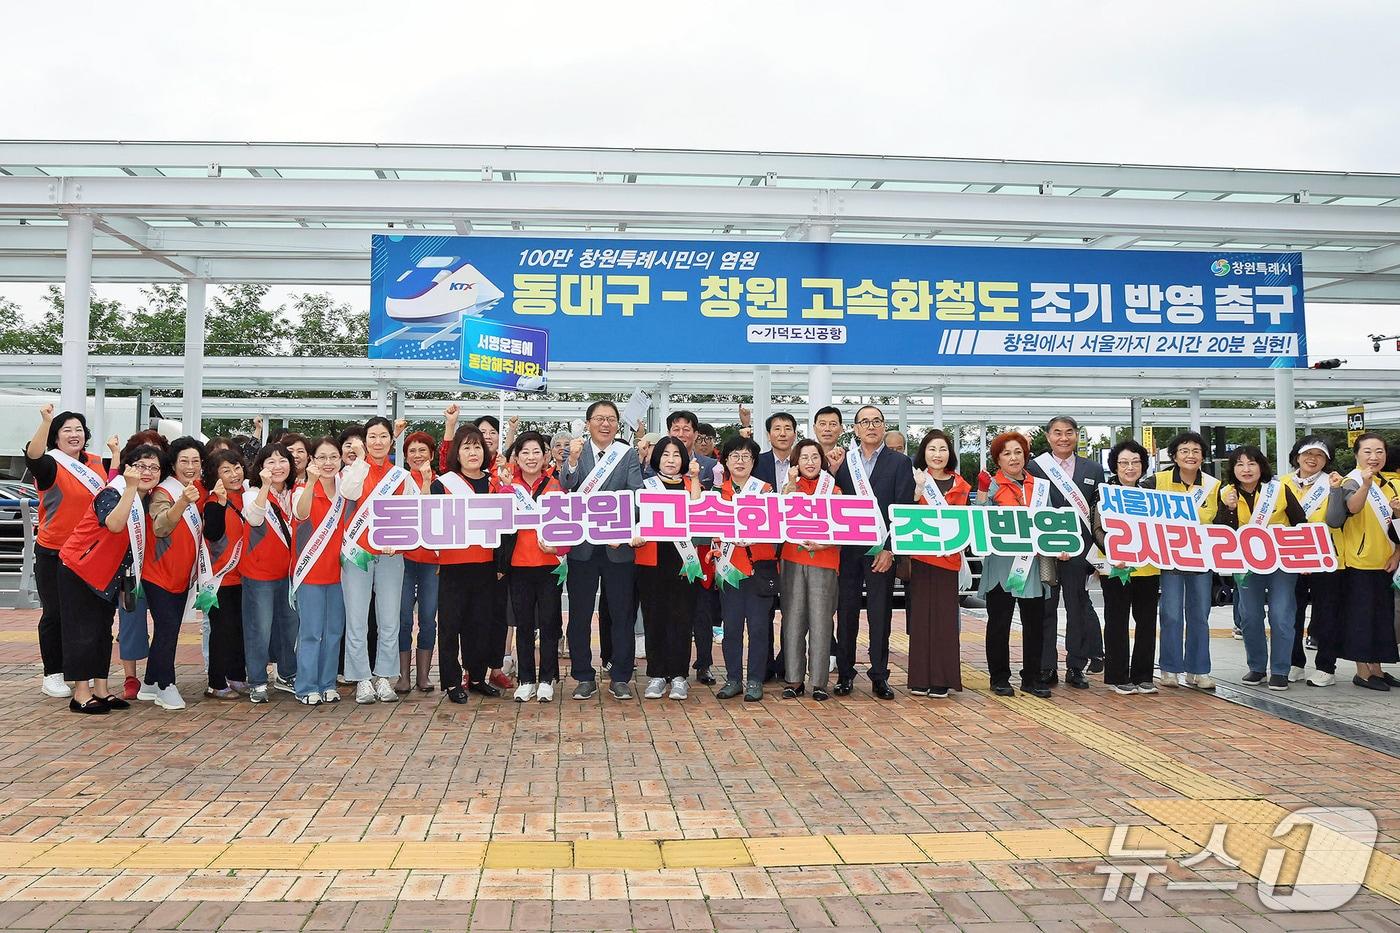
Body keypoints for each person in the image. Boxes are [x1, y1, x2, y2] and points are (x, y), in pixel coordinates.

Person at [56, 443, 162, 714]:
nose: (146, 472)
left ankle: (101, 690)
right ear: (127, 468)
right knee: (82, 633)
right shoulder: (112, 493)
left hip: (106, 577)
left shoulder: (144, 498)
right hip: (80, 570)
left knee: (102, 633)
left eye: (154, 468)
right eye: (140, 466)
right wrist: (129, 488)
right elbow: (114, 524)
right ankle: (81, 694)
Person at [23, 404, 110, 700]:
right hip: (54, 551)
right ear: (55, 437)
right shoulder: (50, 464)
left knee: (87, 616)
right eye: (66, 430)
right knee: (56, 613)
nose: (74, 435)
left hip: (91, 553)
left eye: (79, 430)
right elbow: (33, 457)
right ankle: (53, 673)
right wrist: (45, 421)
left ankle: (80, 672)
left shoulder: (97, 462)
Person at [560, 399, 645, 700]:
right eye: (599, 418)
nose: (605, 424)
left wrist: (620, 525)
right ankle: (583, 675)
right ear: (588, 423)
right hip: (582, 547)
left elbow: (636, 494)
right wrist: (570, 461)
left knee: (621, 614)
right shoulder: (576, 452)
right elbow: (566, 486)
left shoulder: (627, 454)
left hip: (617, 546)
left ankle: (620, 675)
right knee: (580, 614)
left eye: (611, 419)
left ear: (617, 424)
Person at [833, 405, 914, 699]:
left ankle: (880, 675)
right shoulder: (843, 462)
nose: (870, 426)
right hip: (848, 549)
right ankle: (845, 674)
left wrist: (891, 549)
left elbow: (903, 508)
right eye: (864, 422)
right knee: (847, 613)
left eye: (876, 421)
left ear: (883, 426)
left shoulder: (899, 462)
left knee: (881, 614)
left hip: (882, 550)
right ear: (855, 428)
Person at [1215, 445, 1307, 691]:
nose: (1246, 469)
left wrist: (1306, 558)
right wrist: (1230, 510)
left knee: (1281, 615)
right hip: (1246, 564)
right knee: (1250, 616)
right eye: (1240, 464)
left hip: (1281, 564)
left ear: (1261, 466)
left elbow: (1301, 524)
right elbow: (1221, 532)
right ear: (1232, 469)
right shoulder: (1225, 493)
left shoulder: (1278, 490)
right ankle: (1257, 667)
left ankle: (1280, 670)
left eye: (1251, 463)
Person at [340, 416, 416, 705]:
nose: (378, 442)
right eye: (372, 437)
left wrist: (397, 542)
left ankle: (384, 677)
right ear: (364, 440)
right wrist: (359, 461)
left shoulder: (401, 475)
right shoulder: (354, 470)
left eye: (383, 436)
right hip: (357, 554)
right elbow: (349, 492)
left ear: (391, 440)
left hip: (391, 555)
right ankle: (361, 679)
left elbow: (409, 514)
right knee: (357, 619)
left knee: (389, 619)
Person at [1027, 415, 1105, 689]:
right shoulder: (1035, 467)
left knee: (1077, 607)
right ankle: (1047, 666)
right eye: (1057, 433)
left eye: (1069, 432)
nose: (1063, 438)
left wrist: (1098, 555)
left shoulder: (1093, 469)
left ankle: (1076, 666)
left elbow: (1098, 513)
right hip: (1046, 549)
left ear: (1077, 435)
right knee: (1047, 608)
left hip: (1080, 551)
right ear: (1048, 436)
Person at [979, 432, 1057, 698]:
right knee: (999, 621)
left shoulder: (1040, 487)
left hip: (1032, 565)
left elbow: (1050, 522)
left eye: (1018, 452)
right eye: (1006, 453)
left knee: (1034, 622)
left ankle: (1032, 677)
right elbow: (979, 521)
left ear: (1025, 455)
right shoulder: (990, 486)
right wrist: (981, 495)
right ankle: (999, 676)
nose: (1013, 458)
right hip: (1002, 564)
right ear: (997, 458)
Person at [135, 436, 208, 710]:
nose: (190, 466)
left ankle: (151, 682)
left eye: (195, 461)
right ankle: (166, 685)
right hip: (158, 575)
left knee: (169, 630)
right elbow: (161, 527)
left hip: (181, 577)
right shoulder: (163, 492)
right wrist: (183, 502)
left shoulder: (199, 488)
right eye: (184, 461)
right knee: (167, 630)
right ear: (173, 464)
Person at [1143, 432, 1219, 690]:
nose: (1190, 455)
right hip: (1168, 559)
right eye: (1184, 450)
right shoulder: (1156, 481)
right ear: (1174, 456)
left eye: (1196, 451)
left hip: (1201, 558)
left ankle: (1199, 670)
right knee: (1171, 615)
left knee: (1200, 615)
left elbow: (1220, 523)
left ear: (1202, 456)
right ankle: (1169, 668)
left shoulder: (1214, 486)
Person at [433, 425, 503, 702]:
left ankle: (476, 677)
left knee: (480, 624)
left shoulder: (495, 483)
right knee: (450, 626)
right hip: (452, 564)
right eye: (466, 447)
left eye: (477, 447)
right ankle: (451, 682)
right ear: (456, 453)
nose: (473, 452)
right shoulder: (443, 483)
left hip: (485, 564)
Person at [1326, 432, 1400, 691]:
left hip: (1386, 562)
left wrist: (1397, 554)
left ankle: (1377, 669)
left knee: (1382, 617)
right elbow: (1352, 508)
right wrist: (1367, 486)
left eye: (1379, 451)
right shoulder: (1353, 481)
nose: (1374, 457)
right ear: (1357, 454)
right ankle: (1362, 671)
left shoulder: (1391, 484)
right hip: (1359, 562)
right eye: (1367, 451)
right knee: (1361, 617)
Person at [635, 437, 705, 700]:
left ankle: (678, 675)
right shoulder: (644, 485)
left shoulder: (690, 485)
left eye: (677, 455)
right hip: (651, 559)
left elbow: (698, 513)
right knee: (654, 617)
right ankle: (656, 674)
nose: (671, 460)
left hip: (684, 561)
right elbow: (635, 518)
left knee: (681, 617)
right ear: (657, 459)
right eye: (665, 454)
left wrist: (696, 478)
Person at [498, 432, 565, 702]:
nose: (531, 457)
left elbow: (566, 528)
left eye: (536, 451)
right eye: (524, 452)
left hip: (548, 564)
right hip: (518, 565)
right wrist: (503, 489)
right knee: (523, 625)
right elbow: (499, 522)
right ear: (516, 457)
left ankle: (547, 679)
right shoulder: (507, 485)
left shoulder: (554, 485)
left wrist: (559, 549)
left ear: (545, 456)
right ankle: (526, 679)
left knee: (549, 624)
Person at [711, 436, 777, 702]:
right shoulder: (716, 494)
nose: (740, 461)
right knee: (733, 627)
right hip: (730, 571)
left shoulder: (766, 491)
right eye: (734, 456)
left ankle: (755, 680)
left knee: (760, 628)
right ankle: (734, 678)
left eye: (746, 457)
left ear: (753, 462)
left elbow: (775, 529)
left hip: (759, 568)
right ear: (725, 461)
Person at [1092, 440, 1160, 695]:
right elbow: (1097, 528)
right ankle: (1118, 675)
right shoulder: (1105, 493)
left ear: (1143, 466)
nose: (1130, 467)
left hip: (1149, 567)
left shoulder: (1151, 495)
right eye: (1123, 463)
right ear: (1115, 467)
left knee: (1146, 622)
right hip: (1117, 567)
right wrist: (1113, 552)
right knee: (1117, 620)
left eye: (1135, 462)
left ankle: (1143, 675)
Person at [907, 429, 970, 698]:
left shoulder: (961, 485)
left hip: (948, 559)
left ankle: (942, 679)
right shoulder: (915, 479)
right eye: (932, 449)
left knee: (945, 621)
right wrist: (918, 489)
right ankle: (920, 678)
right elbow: (903, 510)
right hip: (921, 558)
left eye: (943, 449)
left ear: (950, 454)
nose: (937, 455)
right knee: (920, 619)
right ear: (924, 453)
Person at [779, 440, 842, 699]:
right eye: (804, 457)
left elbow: (843, 528)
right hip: (793, 558)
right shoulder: (789, 488)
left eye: (815, 457)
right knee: (792, 619)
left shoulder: (834, 489)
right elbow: (778, 515)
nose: (810, 462)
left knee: (821, 622)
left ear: (822, 460)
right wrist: (791, 483)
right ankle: (793, 680)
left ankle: (819, 682)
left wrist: (824, 543)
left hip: (825, 559)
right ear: (796, 462)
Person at [290, 436, 348, 706]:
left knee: (334, 630)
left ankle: (327, 683)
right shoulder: (302, 489)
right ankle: (306, 686)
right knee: (312, 632)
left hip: (339, 574)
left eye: (333, 457)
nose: (328, 463)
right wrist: (311, 484)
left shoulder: (346, 489)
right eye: (322, 457)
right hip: (310, 573)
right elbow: (301, 514)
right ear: (312, 460)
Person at [1282, 436, 1344, 687]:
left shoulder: (1334, 483)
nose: (1312, 459)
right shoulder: (1281, 483)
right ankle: (1294, 662)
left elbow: (1337, 518)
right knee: (1290, 613)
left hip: (1326, 557)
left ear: (1327, 460)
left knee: (1326, 613)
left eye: (1320, 455)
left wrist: (1337, 490)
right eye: (1308, 453)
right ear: (1296, 456)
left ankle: (1326, 667)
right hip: (1291, 557)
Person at [240, 443, 299, 703]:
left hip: (289, 573)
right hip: (259, 574)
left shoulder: (295, 492)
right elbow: (254, 518)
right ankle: (257, 680)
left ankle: (286, 675)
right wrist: (265, 487)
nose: (278, 466)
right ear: (260, 467)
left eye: (283, 460)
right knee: (259, 629)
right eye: (270, 462)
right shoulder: (251, 492)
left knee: (290, 627)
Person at [668, 410, 720, 682]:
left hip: (700, 549)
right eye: (676, 428)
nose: (681, 434)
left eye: (687, 429)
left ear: (696, 434)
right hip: (669, 550)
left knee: (702, 610)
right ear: (669, 433)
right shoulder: (659, 464)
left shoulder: (712, 467)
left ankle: (704, 664)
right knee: (674, 609)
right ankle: (672, 664)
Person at [202, 449, 248, 698]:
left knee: (239, 629)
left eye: (237, 467)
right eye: (226, 470)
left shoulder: (248, 496)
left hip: (244, 577)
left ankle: (237, 676)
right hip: (220, 578)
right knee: (222, 631)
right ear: (215, 475)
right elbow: (212, 534)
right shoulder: (212, 501)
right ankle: (216, 682)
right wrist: (219, 504)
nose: (234, 474)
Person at [396, 431, 439, 694]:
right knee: (402, 618)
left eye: (423, 450)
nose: (417, 455)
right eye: (412, 451)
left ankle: (423, 675)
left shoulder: (443, 483)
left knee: (428, 619)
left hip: (432, 562)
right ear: (405, 456)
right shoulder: (397, 481)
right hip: (402, 560)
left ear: (432, 455)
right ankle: (403, 676)